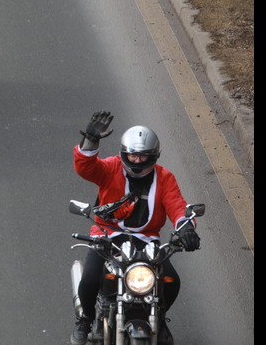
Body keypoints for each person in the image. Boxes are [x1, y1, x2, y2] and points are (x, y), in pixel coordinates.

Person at [71, 111, 200, 345]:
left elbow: (177, 206)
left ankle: (158, 318)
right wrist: (91, 139)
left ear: (154, 156)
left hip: (147, 240)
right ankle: (86, 319)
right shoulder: (110, 167)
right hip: (107, 236)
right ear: (124, 154)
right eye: (133, 155)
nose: (137, 161)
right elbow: (85, 169)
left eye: (143, 156)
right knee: (89, 279)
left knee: (171, 281)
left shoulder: (165, 178)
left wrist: (186, 229)